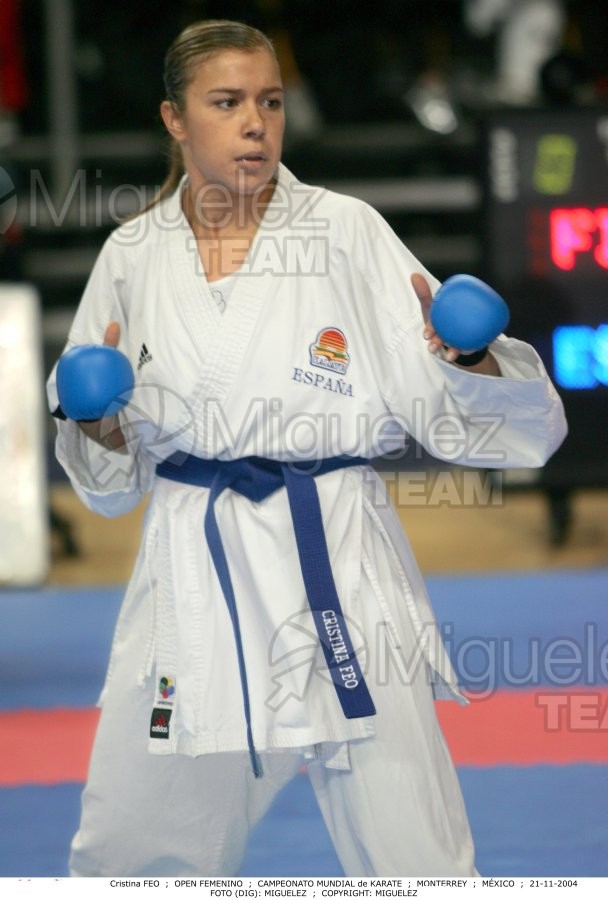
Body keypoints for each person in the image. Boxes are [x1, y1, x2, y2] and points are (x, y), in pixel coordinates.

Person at [47, 19, 567, 877]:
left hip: (339, 558)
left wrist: (467, 357)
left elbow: (470, 416)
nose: (256, 122)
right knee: (130, 852)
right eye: (227, 102)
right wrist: (97, 426)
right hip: (192, 568)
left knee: (418, 853)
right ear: (175, 120)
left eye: (270, 101)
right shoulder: (132, 256)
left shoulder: (346, 232)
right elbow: (106, 478)